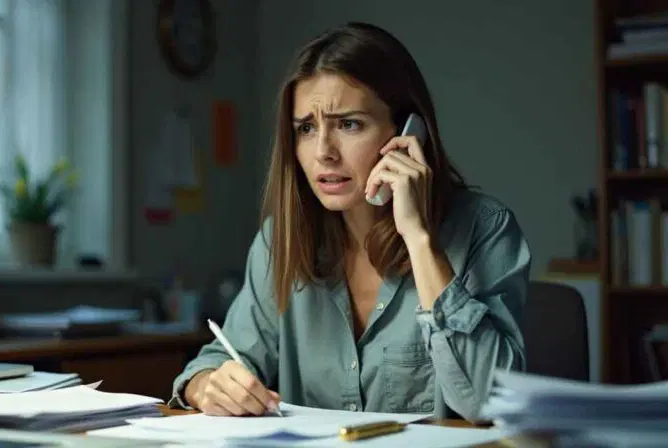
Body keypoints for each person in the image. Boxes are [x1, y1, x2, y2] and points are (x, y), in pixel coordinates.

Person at [168, 22, 531, 422]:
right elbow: (220, 358)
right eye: (306, 128)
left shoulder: (485, 229)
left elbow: (488, 403)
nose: (323, 151)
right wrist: (207, 385)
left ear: (410, 132)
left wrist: (420, 238)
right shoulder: (280, 241)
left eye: (348, 124)